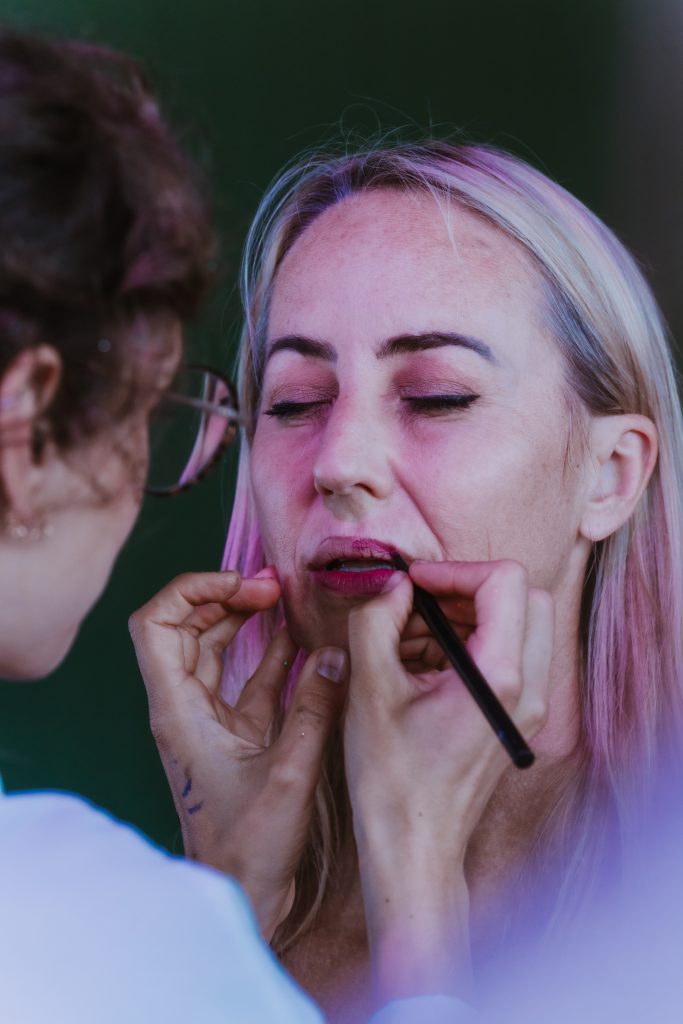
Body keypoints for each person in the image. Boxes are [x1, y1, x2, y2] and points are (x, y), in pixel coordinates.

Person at [131, 136, 683, 1023]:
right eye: (295, 402)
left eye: (435, 396)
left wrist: (417, 903)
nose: (340, 463)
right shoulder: (182, 926)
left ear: (610, 476)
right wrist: (223, 912)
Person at [0, 27, 327, 1024]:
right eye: (152, 410)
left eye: (436, 397)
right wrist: (423, 915)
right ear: (26, 421)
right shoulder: (92, 929)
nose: (346, 466)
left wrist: (216, 906)